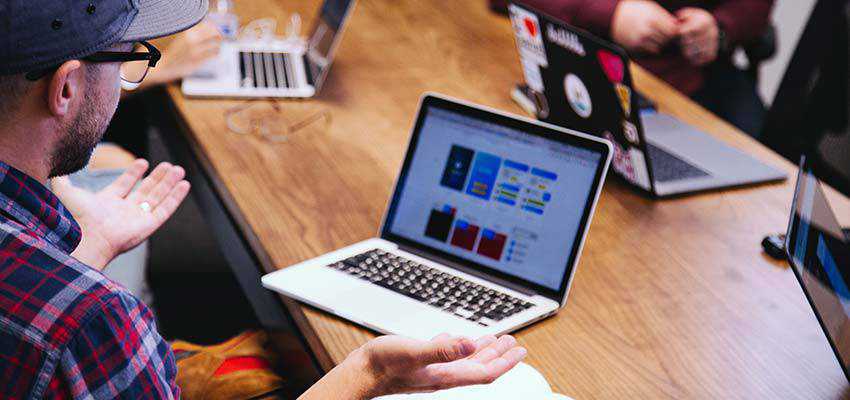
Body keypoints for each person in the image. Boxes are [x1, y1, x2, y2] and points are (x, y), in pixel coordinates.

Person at [0, 1, 526, 398]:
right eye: (125, 60)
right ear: (65, 89)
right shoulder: (93, 326)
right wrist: (370, 371)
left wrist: (83, 254)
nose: (124, 81)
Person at [491, 0, 774, 137]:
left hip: (692, 85)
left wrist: (721, 27)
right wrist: (609, 12)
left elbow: (755, 8)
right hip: (577, 59)